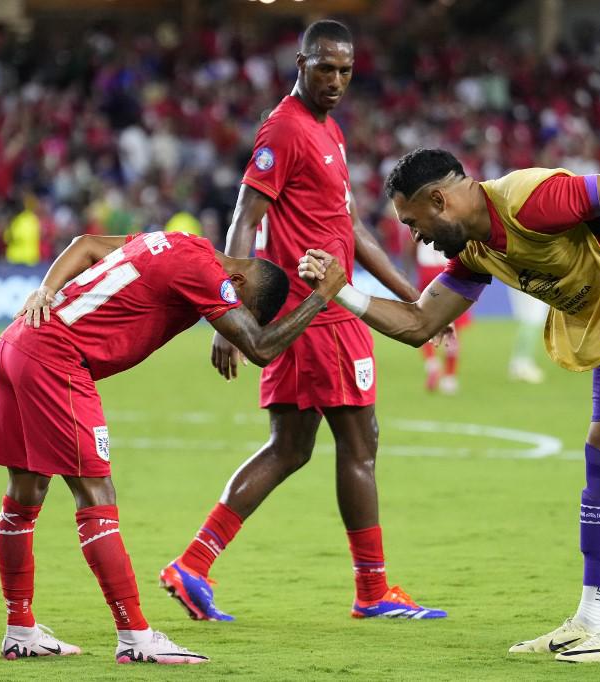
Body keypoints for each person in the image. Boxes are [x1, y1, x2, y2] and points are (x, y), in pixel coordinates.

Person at [299, 148, 600, 662]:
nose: (414, 236)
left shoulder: (530, 200)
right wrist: (343, 293)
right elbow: (421, 323)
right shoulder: (474, 249)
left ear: (440, 200)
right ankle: (593, 616)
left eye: (413, 222)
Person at [160, 20, 446, 622]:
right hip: (319, 315)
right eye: (325, 68)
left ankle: (193, 564)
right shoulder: (285, 129)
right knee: (359, 443)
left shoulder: (328, 129)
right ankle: (372, 591)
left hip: (311, 311)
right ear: (300, 61)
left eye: (345, 70)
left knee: (289, 448)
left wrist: (414, 296)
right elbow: (243, 217)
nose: (337, 80)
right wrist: (226, 314)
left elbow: (353, 231)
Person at [0, 229, 346, 665]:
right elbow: (262, 347)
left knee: (25, 496)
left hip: (17, 342)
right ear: (241, 285)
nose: (228, 323)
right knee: (96, 497)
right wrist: (323, 295)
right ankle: (136, 638)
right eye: (238, 314)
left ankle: (20, 629)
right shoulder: (207, 274)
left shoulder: (178, 241)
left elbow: (88, 243)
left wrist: (45, 288)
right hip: (55, 360)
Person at [415, 239, 469, 394]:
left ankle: (431, 362)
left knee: (424, 321)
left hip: (426, 272)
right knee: (453, 326)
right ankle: (449, 378)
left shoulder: (420, 222)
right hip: (448, 271)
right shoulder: (453, 220)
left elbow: (409, 248)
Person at [506, 288, 548, 384]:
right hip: (532, 278)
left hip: (521, 278)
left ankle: (520, 362)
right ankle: (522, 364)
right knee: (533, 318)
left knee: (530, 318)